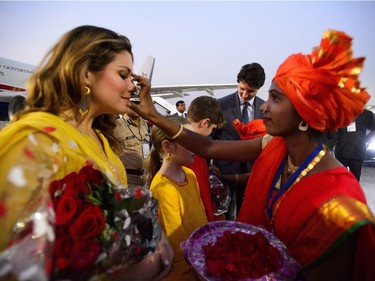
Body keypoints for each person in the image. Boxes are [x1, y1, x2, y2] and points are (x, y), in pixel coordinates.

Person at [129, 29, 375, 280]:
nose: (264, 106)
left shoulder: (337, 198)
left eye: (275, 98)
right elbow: (208, 148)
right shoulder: (274, 144)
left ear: (305, 113)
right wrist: (154, 117)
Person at [0, 25, 174, 281]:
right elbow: (11, 261)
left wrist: (156, 238)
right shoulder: (34, 139)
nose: (132, 87)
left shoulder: (104, 142)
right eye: (123, 75)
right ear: (85, 74)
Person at [145, 115, 208, 280]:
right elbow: (178, 243)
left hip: (201, 260)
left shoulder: (190, 174)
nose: (196, 147)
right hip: (185, 271)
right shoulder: (162, 188)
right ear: (167, 146)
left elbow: (201, 218)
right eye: (188, 142)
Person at [213, 62, 266, 218]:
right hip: (223, 170)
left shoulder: (264, 108)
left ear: (258, 89)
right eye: (242, 89)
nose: (244, 95)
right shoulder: (221, 105)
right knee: (223, 213)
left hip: (252, 172)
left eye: (250, 91)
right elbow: (211, 137)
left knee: (248, 214)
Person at [184, 96, 226, 221]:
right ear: (205, 123)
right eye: (212, 129)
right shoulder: (193, 152)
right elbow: (201, 194)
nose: (211, 133)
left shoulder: (183, 144)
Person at [113, 103, 151, 187]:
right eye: (134, 104)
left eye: (139, 104)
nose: (137, 107)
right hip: (129, 177)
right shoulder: (117, 126)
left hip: (146, 175)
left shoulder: (145, 124)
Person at [335, 109, 375, 181]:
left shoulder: (367, 114)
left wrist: (365, 140)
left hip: (357, 152)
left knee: (355, 180)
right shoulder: (340, 113)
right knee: (339, 179)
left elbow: (373, 130)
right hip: (341, 151)